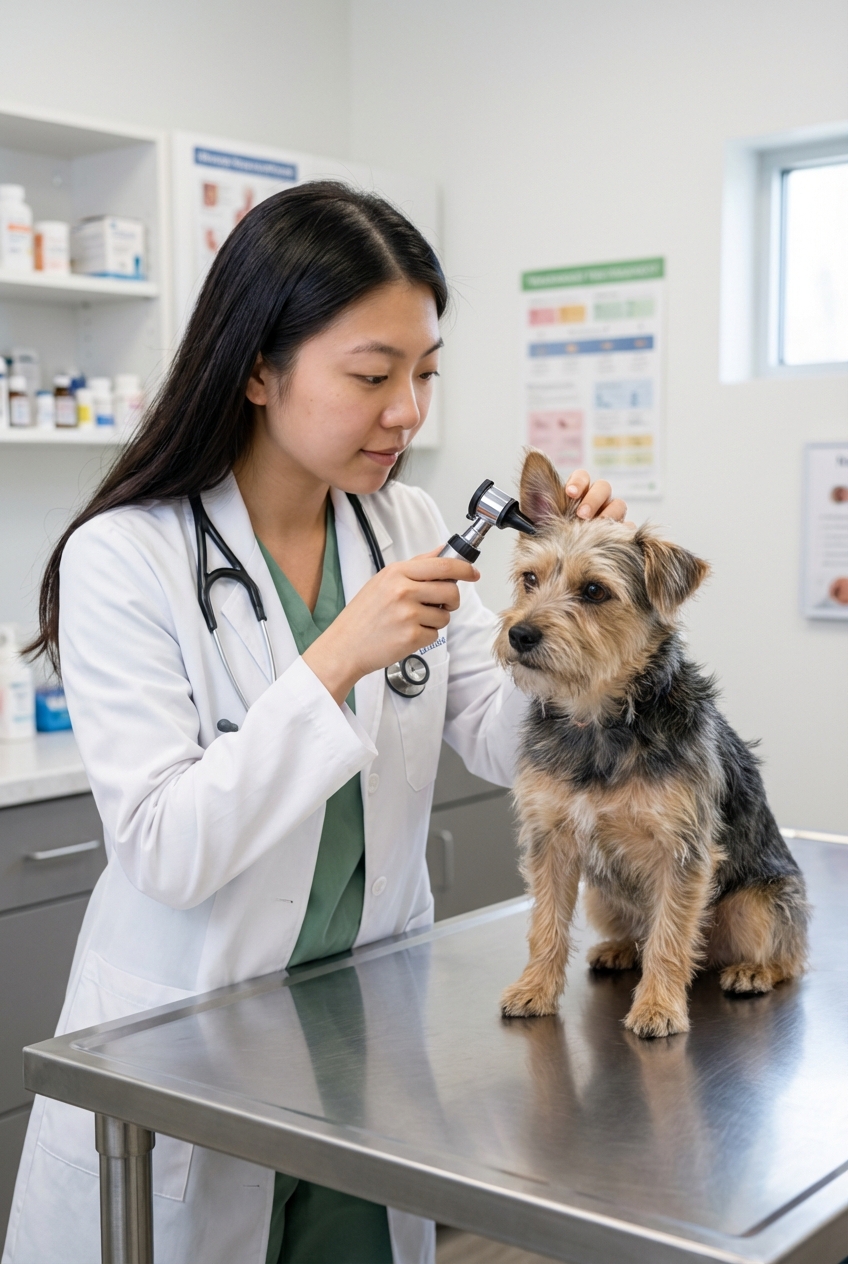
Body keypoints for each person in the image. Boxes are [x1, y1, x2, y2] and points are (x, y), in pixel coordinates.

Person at [2, 182, 626, 1264]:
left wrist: (572, 613)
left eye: (424, 374)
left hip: (359, 1049)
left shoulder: (408, 519)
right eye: (372, 376)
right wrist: (337, 653)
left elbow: (491, 731)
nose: (408, 413)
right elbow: (163, 845)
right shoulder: (126, 554)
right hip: (192, 1051)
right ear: (255, 368)